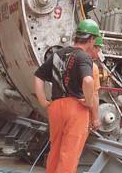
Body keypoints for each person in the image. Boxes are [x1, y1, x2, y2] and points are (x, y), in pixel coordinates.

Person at [33, 19, 101, 173]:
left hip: (56, 107)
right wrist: (89, 102)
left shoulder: (58, 54)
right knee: (69, 154)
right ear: (91, 40)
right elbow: (88, 81)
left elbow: (38, 76)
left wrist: (43, 101)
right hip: (75, 108)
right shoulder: (84, 57)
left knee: (55, 151)